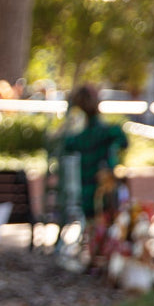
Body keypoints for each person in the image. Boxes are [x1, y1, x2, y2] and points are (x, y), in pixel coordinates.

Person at [62, 83, 129, 222]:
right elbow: (124, 142)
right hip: (106, 198)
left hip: (88, 196)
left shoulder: (79, 138)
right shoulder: (108, 132)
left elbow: (64, 143)